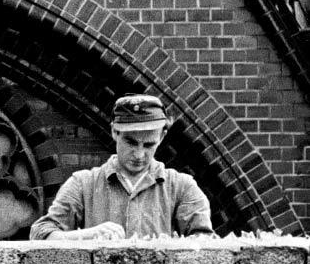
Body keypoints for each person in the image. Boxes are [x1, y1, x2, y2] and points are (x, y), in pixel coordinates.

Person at [29, 94, 214, 240]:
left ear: (163, 136)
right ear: (114, 132)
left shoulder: (182, 187)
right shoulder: (83, 184)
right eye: (131, 142)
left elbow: (206, 245)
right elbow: (41, 234)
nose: (139, 154)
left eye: (149, 145)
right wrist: (87, 236)